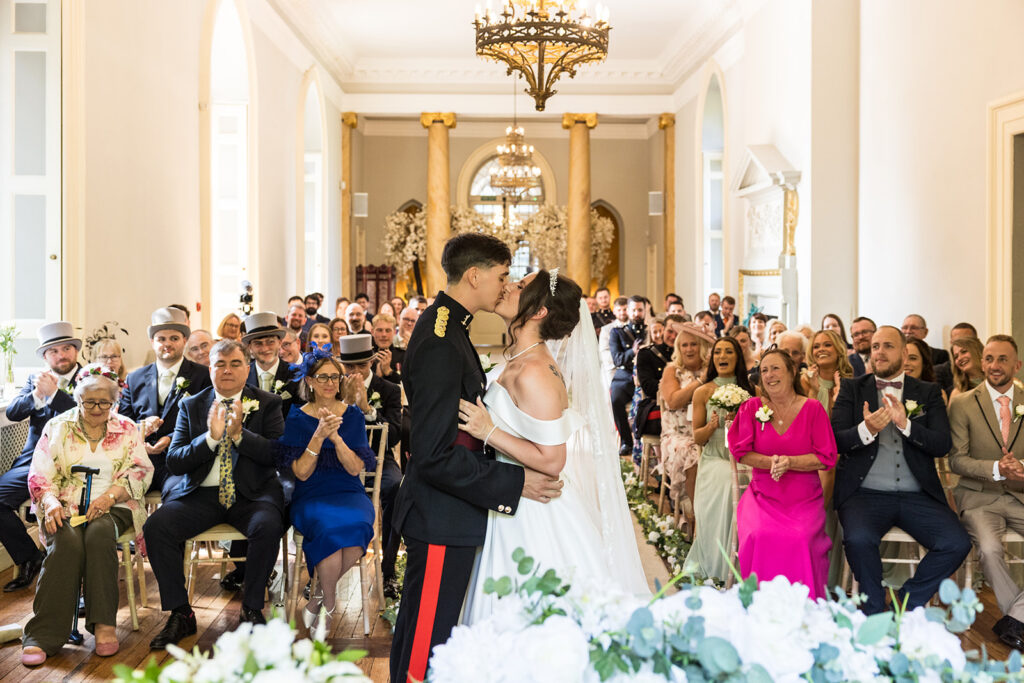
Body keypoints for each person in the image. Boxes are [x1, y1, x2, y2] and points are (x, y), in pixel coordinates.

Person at [389, 234, 562, 683]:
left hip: (452, 510)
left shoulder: (451, 327)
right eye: (502, 276)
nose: (506, 286)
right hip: (440, 512)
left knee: (431, 633)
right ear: (474, 275)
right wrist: (513, 483)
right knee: (426, 643)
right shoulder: (442, 340)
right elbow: (432, 455)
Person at [459, 269, 648, 625]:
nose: (509, 286)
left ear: (538, 311)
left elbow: (552, 459)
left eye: (520, 285)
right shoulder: (521, 359)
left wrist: (488, 430)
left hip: (534, 511)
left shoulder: (537, 372)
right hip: (511, 499)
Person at [145, 340, 286, 649]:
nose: (227, 370)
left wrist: (239, 436)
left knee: (267, 525)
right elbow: (176, 460)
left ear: (247, 369)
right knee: (157, 527)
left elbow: (277, 454)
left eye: (235, 363)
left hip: (251, 495)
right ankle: (181, 612)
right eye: (220, 364)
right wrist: (210, 438)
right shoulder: (191, 405)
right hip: (201, 494)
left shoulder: (268, 402)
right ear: (210, 369)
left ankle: (251, 609)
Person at [831, 326, 971, 614]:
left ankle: (904, 605)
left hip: (917, 495)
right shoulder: (851, 388)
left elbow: (942, 444)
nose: (879, 352)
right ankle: (872, 609)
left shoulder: (928, 392)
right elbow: (835, 440)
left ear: (905, 353)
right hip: (864, 494)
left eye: (888, 346)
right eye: (875, 346)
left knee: (956, 542)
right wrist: (866, 429)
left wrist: (906, 425)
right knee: (858, 539)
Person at [21, 365, 153, 665]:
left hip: (115, 504)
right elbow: (39, 472)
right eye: (89, 402)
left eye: (104, 402)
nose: (96, 408)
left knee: (98, 534)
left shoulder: (127, 428)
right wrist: (51, 501)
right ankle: (43, 634)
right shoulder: (57, 426)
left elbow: (142, 471)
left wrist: (109, 497)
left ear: (114, 403)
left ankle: (104, 625)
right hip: (64, 505)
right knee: (65, 541)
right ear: (78, 401)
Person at [275, 346, 376, 630]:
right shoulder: (295, 417)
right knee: (330, 533)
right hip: (312, 495)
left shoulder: (353, 416)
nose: (330, 383)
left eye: (335, 377)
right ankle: (330, 605)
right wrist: (318, 436)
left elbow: (356, 469)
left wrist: (337, 438)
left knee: (356, 531)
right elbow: (302, 474)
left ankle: (318, 599)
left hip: (349, 493)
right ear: (309, 381)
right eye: (323, 377)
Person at [728, 349, 837, 598]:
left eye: (775, 368)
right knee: (759, 533)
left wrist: (789, 462)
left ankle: (805, 604)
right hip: (762, 495)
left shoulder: (813, 409)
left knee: (800, 538)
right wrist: (771, 462)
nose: (769, 375)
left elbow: (825, 457)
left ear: (792, 373)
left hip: (803, 498)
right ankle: (759, 602)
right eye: (764, 370)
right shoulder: (751, 407)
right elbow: (741, 452)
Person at [947, 335, 1024, 650]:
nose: (995, 366)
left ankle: (1017, 619)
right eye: (990, 358)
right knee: (990, 550)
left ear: (1016, 365)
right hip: (978, 496)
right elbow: (956, 459)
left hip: (1020, 493)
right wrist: (996, 468)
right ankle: (1016, 619)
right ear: (982, 363)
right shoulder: (963, 403)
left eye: (1003, 359)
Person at [2, 322, 83, 591]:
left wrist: (55, 395)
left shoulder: (92, 376)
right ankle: (30, 557)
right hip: (35, 461)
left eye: (67, 349)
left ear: (75, 351)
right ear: (45, 357)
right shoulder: (35, 380)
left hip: (80, 463)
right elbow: (13, 412)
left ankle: (76, 578)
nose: (61, 355)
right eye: (54, 351)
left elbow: (86, 417)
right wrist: (38, 394)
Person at [336, 335, 404, 598]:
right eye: (349, 367)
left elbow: (396, 435)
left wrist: (367, 409)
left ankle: (388, 570)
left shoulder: (388, 390)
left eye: (361, 366)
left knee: (395, 488)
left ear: (370, 363)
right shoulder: (333, 387)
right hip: (338, 459)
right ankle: (322, 571)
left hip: (378, 459)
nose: (355, 373)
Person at [683, 336, 755, 581]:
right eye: (718, 353)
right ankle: (718, 567)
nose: (722, 357)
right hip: (715, 459)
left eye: (728, 352)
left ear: (738, 357)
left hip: (746, 457)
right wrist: (713, 425)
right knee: (727, 479)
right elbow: (697, 438)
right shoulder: (703, 391)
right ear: (712, 358)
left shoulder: (750, 391)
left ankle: (748, 565)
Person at [119, 308, 212, 495]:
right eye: (161, 339)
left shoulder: (203, 376)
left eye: (174, 338)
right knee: (118, 496)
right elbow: (123, 422)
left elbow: (204, 422)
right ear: (152, 342)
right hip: (138, 461)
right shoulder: (134, 378)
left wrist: (170, 438)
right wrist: (140, 432)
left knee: (177, 498)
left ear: (184, 341)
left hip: (179, 461)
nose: (167, 344)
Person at [659, 322, 714, 536]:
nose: (689, 349)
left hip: (707, 430)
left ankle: (715, 512)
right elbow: (673, 401)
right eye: (684, 345)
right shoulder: (672, 370)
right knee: (693, 453)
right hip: (678, 433)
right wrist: (700, 382)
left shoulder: (711, 369)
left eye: (693, 344)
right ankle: (694, 517)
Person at [609, 296, 647, 456]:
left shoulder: (651, 331)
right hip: (625, 377)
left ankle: (645, 439)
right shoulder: (617, 332)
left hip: (646, 376)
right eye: (634, 310)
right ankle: (626, 442)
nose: (637, 313)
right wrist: (632, 351)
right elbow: (617, 359)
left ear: (645, 311)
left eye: (640, 310)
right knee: (615, 400)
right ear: (628, 311)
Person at [934, 322, 978, 395]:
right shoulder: (939, 372)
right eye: (957, 342)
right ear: (951, 343)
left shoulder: (991, 369)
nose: (961, 345)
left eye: (967, 341)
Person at [598, 296, 628, 388]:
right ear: (614, 311)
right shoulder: (606, 329)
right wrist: (622, 360)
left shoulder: (636, 327)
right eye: (619, 310)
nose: (622, 312)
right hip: (613, 370)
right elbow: (604, 351)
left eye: (625, 309)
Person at [370, 313, 405, 385]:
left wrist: (388, 371)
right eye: (379, 330)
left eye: (388, 330)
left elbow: (407, 385)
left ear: (395, 332)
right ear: (372, 332)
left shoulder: (404, 356)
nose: (384, 335)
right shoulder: (366, 357)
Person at [948, 336, 986, 402]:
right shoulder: (957, 393)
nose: (959, 358)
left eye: (964, 351)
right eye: (956, 357)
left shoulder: (997, 381)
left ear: (977, 351)